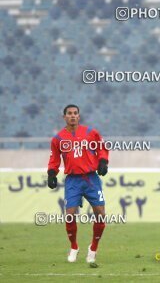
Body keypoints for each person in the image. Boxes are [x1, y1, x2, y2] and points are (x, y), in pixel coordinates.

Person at [47, 104, 109, 263]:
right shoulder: (58, 139)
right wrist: (52, 173)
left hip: (91, 179)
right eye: (69, 113)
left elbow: (102, 148)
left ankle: (93, 248)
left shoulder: (90, 132)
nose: (73, 116)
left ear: (79, 116)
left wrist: (102, 161)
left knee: (101, 214)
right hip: (73, 180)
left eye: (75, 113)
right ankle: (74, 246)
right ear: (64, 117)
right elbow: (54, 159)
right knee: (69, 216)